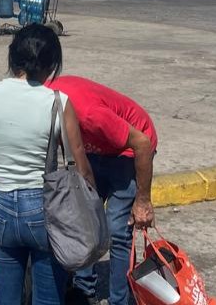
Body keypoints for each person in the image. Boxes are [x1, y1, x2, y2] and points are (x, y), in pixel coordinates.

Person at [0, 24, 95, 305]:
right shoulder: (58, 102)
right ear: (50, 64)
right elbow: (79, 161)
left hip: (1, 209)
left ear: (14, 57)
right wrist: (91, 209)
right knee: (48, 297)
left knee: (5, 297)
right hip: (44, 210)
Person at [47, 76, 158, 305]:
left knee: (117, 230)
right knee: (83, 220)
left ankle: (119, 299)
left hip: (129, 151)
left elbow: (142, 144)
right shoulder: (43, 101)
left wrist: (143, 200)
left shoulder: (90, 115)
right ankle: (84, 291)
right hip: (96, 149)